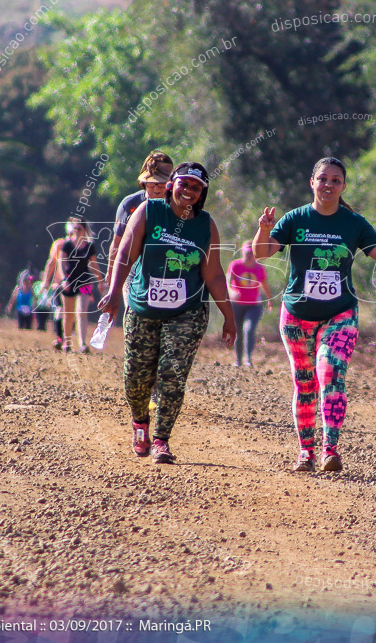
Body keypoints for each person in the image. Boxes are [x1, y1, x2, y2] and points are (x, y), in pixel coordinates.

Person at [253, 157, 376, 473]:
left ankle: (329, 450)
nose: (328, 185)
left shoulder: (354, 223)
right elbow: (261, 252)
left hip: (340, 314)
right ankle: (305, 452)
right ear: (312, 182)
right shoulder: (295, 219)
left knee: (330, 375)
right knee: (305, 384)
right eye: (323, 179)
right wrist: (264, 231)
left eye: (336, 180)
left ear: (343, 186)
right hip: (296, 317)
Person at [99, 162, 236, 464]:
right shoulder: (149, 211)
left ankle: (161, 440)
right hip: (142, 306)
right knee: (136, 377)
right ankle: (139, 424)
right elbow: (125, 253)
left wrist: (229, 315)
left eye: (196, 187)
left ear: (202, 194)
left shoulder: (206, 224)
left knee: (172, 373)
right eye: (184, 184)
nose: (188, 191)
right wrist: (112, 292)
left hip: (187, 311)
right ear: (172, 185)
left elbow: (212, 274)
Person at [105, 150, 173, 290]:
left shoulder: (177, 207)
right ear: (144, 182)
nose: (156, 188)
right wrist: (110, 273)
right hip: (132, 269)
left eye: (162, 184)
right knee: (133, 309)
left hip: (167, 270)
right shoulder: (129, 204)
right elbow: (116, 244)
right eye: (151, 183)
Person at [43, 218, 105, 353]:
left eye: (79, 229)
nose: (76, 231)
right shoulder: (66, 245)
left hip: (85, 281)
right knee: (68, 314)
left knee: (82, 312)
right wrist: (64, 279)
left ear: (84, 231)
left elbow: (94, 265)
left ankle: (82, 343)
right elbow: (61, 263)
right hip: (69, 282)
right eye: (74, 229)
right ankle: (67, 342)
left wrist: (100, 281)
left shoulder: (89, 247)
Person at [226, 240, 273, 367]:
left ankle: (248, 359)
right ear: (243, 253)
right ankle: (238, 360)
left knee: (249, 329)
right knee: (238, 332)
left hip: (254, 305)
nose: (249, 256)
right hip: (237, 305)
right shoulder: (235, 265)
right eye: (247, 253)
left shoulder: (259, 268)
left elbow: (265, 284)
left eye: (251, 253)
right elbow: (228, 282)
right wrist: (232, 292)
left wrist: (270, 299)